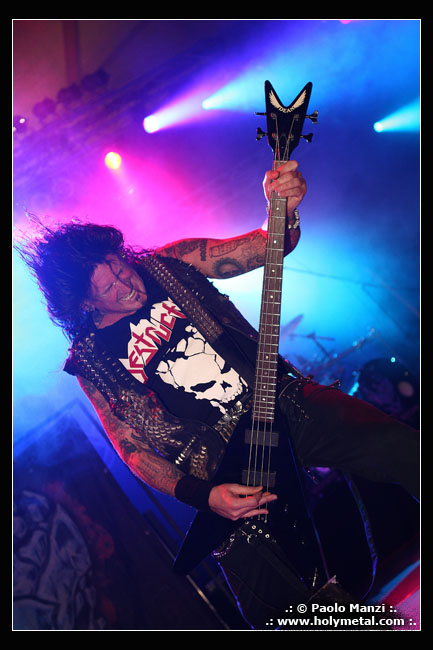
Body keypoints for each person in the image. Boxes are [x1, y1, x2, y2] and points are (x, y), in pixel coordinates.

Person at [17, 160, 419, 629]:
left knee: (398, 446)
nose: (127, 284)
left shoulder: (170, 264)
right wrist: (204, 496)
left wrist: (283, 208)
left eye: (121, 268)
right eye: (109, 287)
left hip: (281, 401)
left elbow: (268, 245)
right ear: (85, 303)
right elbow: (132, 449)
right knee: (277, 610)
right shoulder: (92, 363)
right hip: (221, 463)